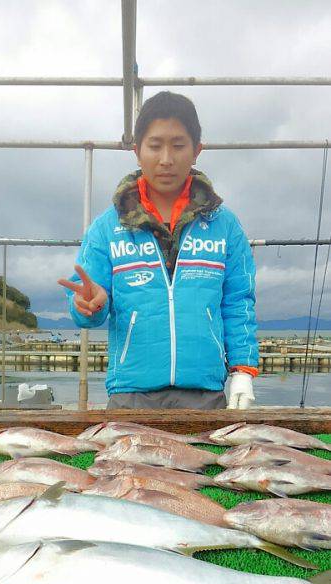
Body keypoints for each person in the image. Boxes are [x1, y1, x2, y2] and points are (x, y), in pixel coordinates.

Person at [58, 91, 258, 409]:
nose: (166, 159)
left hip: (207, 394)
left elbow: (237, 304)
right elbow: (85, 306)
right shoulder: (106, 228)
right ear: (137, 152)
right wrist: (87, 305)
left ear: (197, 151)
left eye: (178, 145)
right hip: (129, 395)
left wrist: (243, 370)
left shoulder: (225, 226)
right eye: (155, 146)